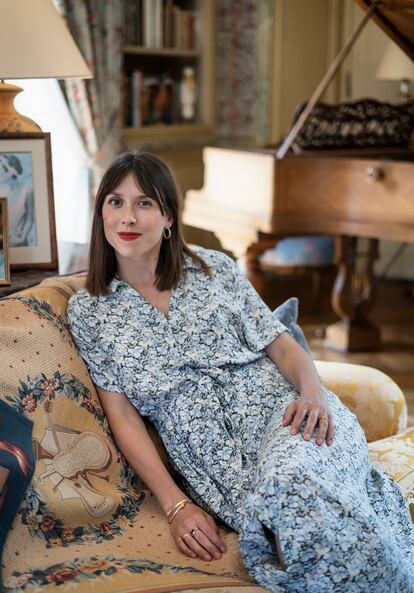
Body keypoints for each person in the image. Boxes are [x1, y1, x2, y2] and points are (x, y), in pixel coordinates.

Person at [67, 151, 414, 593]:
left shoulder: (215, 270)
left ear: (168, 216)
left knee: (294, 492)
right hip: (225, 473)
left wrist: (313, 394)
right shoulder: (90, 312)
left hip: (293, 421)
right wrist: (176, 506)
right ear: (100, 213)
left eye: (144, 203)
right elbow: (122, 416)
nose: (127, 217)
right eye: (115, 202)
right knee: (292, 525)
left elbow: (283, 345)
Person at [0, 153, 36, 248]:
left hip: (19, 243)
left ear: (14, 170)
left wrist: (23, 237)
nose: (1, 169)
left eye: (4, 166)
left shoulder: (26, 190)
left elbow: (29, 218)